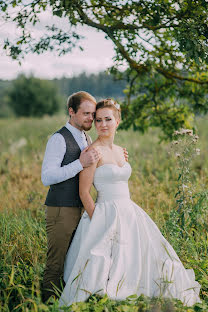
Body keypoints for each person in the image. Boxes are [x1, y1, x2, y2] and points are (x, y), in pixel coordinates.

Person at [59, 98, 201, 308]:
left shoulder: (120, 150)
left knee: (143, 255)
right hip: (104, 213)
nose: (103, 124)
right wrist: (98, 220)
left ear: (118, 121)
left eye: (108, 119)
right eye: (98, 120)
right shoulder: (92, 152)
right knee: (104, 259)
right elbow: (84, 193)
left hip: (129, 211)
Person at [41, 92, 128, 302]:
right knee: (56, 261)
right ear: (71, 112)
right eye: (86, 114)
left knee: (73, 260)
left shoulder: (85, 136)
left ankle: (68, 297)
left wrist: (115, 156)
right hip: (61, 209)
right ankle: (47, 304)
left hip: (81, 209)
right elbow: (47, 177)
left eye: (93, 115)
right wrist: (80, 163)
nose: (91, 119)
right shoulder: (58, 139)